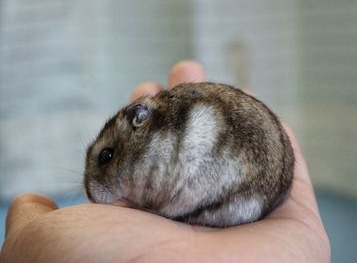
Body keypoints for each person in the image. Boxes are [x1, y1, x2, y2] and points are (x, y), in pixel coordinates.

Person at [0, 61, 330, 263]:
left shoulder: (168, 131)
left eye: (108, 157)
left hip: (245, 194)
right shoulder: (163, 135)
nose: (96, 185)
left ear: (140, 118)